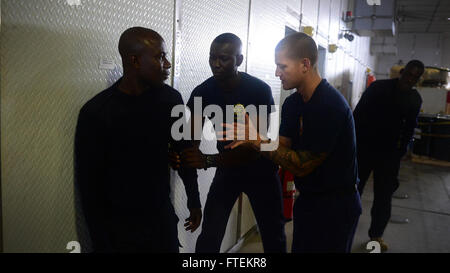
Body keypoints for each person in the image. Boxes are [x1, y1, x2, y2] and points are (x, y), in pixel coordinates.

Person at [220, 32, 362, 253]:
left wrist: (258, 141)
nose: (277, 73)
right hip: (308, 201)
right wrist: (250, 143)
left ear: (305, 64)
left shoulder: (329, 106)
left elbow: (300, 165)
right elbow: (282, 150)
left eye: (282, 67)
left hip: (336, 205)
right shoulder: (293, 103)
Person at [74, 27, 201, 253]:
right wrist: (100, 242)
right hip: (119, 230)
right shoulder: (96, 112)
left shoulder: (171, 100)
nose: (168, 64)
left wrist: (194, 201)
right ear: (134, 61)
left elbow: (184, 151)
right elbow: (89, 187)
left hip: (160, 220)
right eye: (160, 57)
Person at [172, 33, 286, 253]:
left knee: (274, 237)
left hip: (261, 171)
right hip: (228, 171)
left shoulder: (259, 91)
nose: (216, 64)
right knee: (208, 239)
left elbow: (255, 149)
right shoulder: (202, 93)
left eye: (223, 58)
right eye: (212, 57)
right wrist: (194, 202)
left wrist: (208, 159)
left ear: (239, 60)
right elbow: (190, 150)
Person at [353, 60, 424, 251]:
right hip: (364, 149)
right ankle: (346, 226)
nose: (410, 79)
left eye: (415, 77)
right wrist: (352, 144)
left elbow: (409, 129)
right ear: (402, 71)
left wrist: (400, 153)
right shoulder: (378, 88)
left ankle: (376, 237)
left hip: (389, 155)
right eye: (408, 74)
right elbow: (357, 116)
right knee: (353, 190)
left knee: (383, 197)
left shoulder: (414, 99)